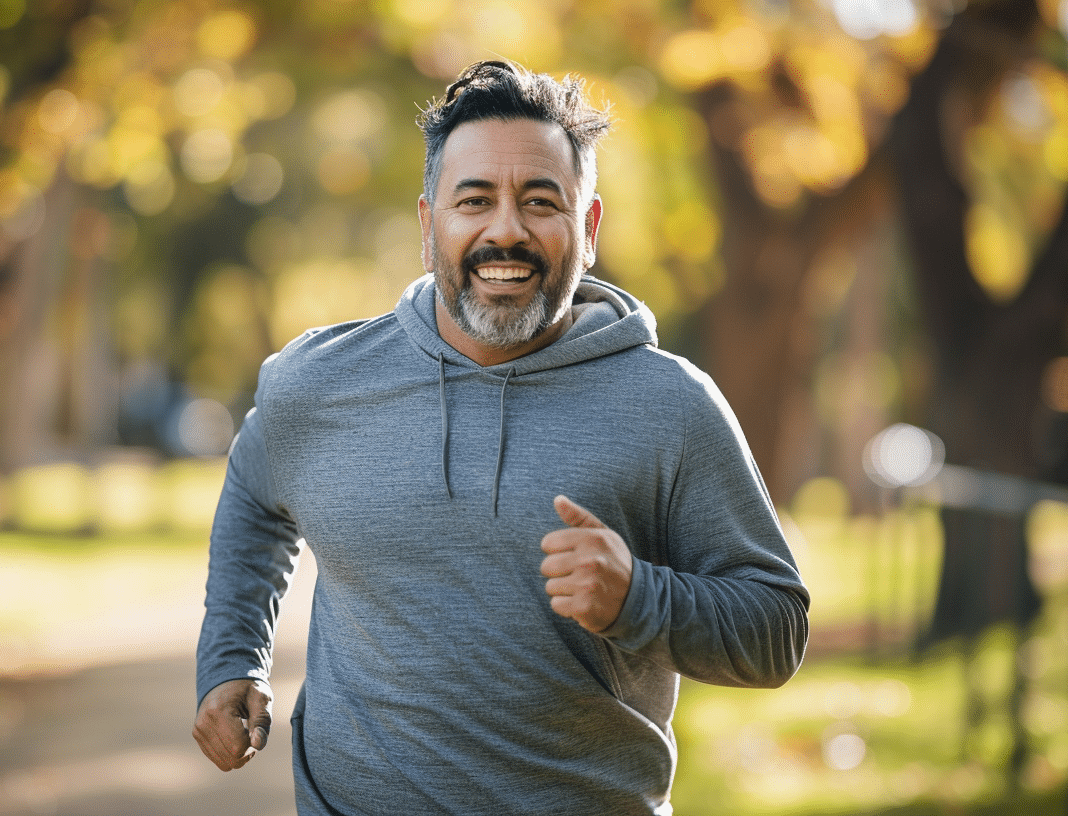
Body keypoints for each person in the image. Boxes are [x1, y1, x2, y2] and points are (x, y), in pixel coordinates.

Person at [193, 60, 809, 815]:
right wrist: (232, 658)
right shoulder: (317, 384)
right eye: (475, 200)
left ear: (587, 228)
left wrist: (638, 599)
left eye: (540, 201)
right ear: (429, 226)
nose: (506, 230)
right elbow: (256, 493)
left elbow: (776, 631)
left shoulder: (669, 406)